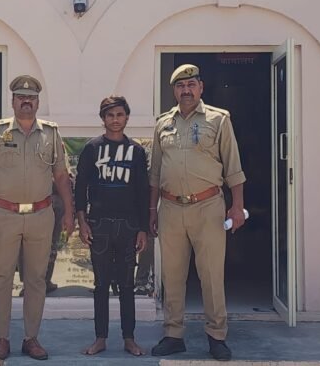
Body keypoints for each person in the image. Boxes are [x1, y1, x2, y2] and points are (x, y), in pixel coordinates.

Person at [0, 75, 75, 361]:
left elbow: (61, 176)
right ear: (13, 101)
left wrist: (69, 211)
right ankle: (1, 338)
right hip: (4, 214)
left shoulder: (50, 134)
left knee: (36, 279)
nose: (26, 102)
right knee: (2, 277)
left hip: (41, 215)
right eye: (21, 97)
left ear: (38, 102)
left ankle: (31, 338)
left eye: (31, 98)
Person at [148, 64, 246, 361]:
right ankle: (173, 334)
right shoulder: (163, 123)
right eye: (180, 86)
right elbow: (155, 172)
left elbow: (233, 166)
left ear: (201, 88)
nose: (186, 90)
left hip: (208, 206)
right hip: (170, 207)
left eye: (191, 85)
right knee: (172, 275)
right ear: (174, 91)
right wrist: (152, 209)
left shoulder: (218, 119)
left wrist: (237, 206)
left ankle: (217, 336)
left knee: (211, 275)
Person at [75, 95, 149, 357]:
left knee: (127, 285)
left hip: (129, 226)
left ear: (127, 117)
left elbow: (143, 192)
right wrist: (82, 221)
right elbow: (80, 187)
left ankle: (129, 338)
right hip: (99, 225)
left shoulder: (137, 151)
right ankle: (100, 338)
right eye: (110, 115)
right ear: (103, 118)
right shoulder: (92, 148)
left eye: (119, 114)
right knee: (101, 284)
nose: (115, 120)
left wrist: (143, 229)